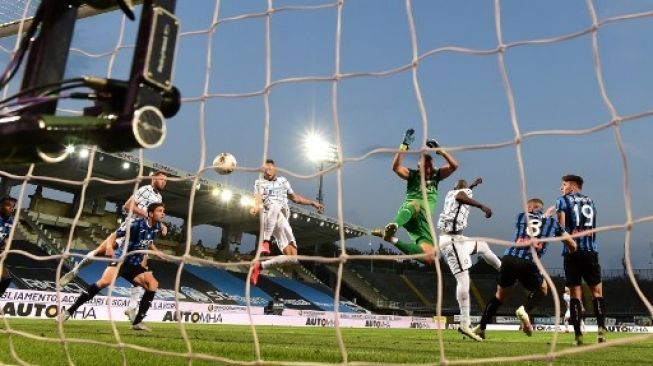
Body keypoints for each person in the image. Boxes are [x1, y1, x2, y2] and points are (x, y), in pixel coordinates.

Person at [59, 171, 168, 321]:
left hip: (140, 236)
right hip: (129, 230)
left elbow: (155, 221)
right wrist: (146, 215)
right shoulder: (144, 190)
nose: (164, 182)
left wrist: (159, 224)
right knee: (99, 252)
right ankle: (74, 271)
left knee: (143, 267)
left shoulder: (159, 198)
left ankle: (131, 307)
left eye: (165, 180)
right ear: (154, 178)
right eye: (162, 179)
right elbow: (127, 205)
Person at [473, 198, 577, 340]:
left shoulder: (521, 216)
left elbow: (534, 223)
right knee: (543, 289)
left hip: (509, 258)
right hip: (528, 261)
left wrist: (544, 215)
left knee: (499, 295)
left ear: (530, 208)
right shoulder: (552, 223)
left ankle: (482, 327)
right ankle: (524, 310)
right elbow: (571, 244)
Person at [371, 128, 458, 264]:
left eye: (430, 166)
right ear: (419, 167)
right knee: (416, 204)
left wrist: (441, 150)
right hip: (410, 212)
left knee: (431, 257)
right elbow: (396, 168)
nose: (428, 170)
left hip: (424, 222)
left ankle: (389, 238)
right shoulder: (412, 175)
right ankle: (394, 225)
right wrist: (404, 146)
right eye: (424, 167)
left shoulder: (437, 176)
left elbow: (454, 166)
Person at [436, 178, 501, 341]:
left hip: (459, 238)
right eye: (464, 187)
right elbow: (461, 196)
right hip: (451, 242)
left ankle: (505, 272)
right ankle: (465, 323)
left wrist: (474, 184)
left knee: (483, 245)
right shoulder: (458, 194)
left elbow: (464, 190)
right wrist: (481, 206)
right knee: (464, 280)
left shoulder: (457, 191)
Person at [249, 159, 323, 285]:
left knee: (292, 258)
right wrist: (255, 207)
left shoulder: (283, 181)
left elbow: (295, 198)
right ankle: (265, 242)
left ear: (274, 168)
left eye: (270, 168)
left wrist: (312, 202)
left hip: (282, 220)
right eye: (265, 169)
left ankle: (259, 267)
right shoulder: (259, 183)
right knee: (275, 205)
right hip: (270, 216)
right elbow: (257, 200)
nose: (268, 171)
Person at [556, 174, 605, 345]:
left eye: (564, 185)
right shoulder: (591, 201)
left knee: (576, 296)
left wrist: (569, 243)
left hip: (572, 253)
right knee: (597, 294)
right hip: (591, 251)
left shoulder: (562, 201)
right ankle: (601, 334)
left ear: (573, 186)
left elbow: (560, 229)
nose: (561, 188)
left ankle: (578, 337)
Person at [0, 196, 17, 298]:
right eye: (8, 206)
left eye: (13, 206)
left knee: (6, 279)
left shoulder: (10, 221)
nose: (12, 208)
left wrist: (5, 248)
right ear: (1, 206)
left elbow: (7, 237)